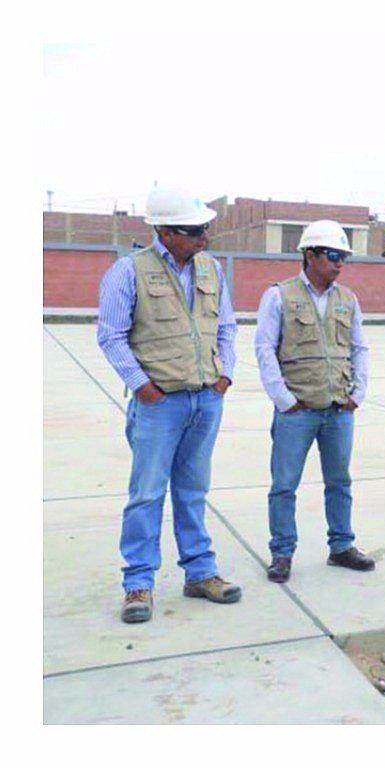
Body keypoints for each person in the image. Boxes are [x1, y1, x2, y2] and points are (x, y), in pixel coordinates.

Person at [96, 188, 242, 623]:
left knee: (193, 491)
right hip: (159, 405)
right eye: (193, 231)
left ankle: (200, 573)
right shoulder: (128, 272)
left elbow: (228, 326)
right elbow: (110, 335)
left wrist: (225, 376)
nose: (203, 238)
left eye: (204, 229)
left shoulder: (211, 269)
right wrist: (143, 388)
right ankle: (138, 583)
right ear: (163, 230)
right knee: (146, 494)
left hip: (205, 399)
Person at [253, 220, 374, 583]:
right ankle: (282, 552)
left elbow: (359, 348)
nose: (340, 264)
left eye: (344, 258)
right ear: (310, 255)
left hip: (338, 409)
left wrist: (358, 393)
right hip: (297, 411)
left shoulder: (347, 299)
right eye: (334, 256)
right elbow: (263, 349)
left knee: (339, 482)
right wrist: (283, 399)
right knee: (284, 484)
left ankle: (341, 546)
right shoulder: (279, 296)